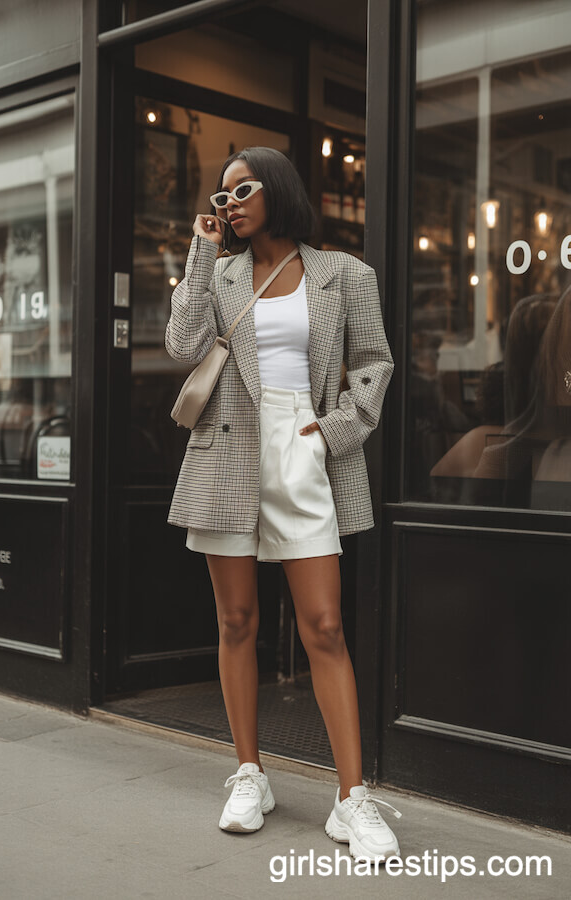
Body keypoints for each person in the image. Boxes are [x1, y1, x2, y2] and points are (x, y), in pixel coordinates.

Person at [164, 146, 399, 862]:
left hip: (304, 449)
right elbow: (182, 344)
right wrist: (201, 257)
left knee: (324, 625)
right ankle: (249, 774)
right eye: (221, 193)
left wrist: (328, 434)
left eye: (243, 188)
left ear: (279, 190)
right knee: (237, 620)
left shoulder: (344, 274)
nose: (229, 201)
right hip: (228, 449)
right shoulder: (221, 271)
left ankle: (351, 799)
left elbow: (375, 364)